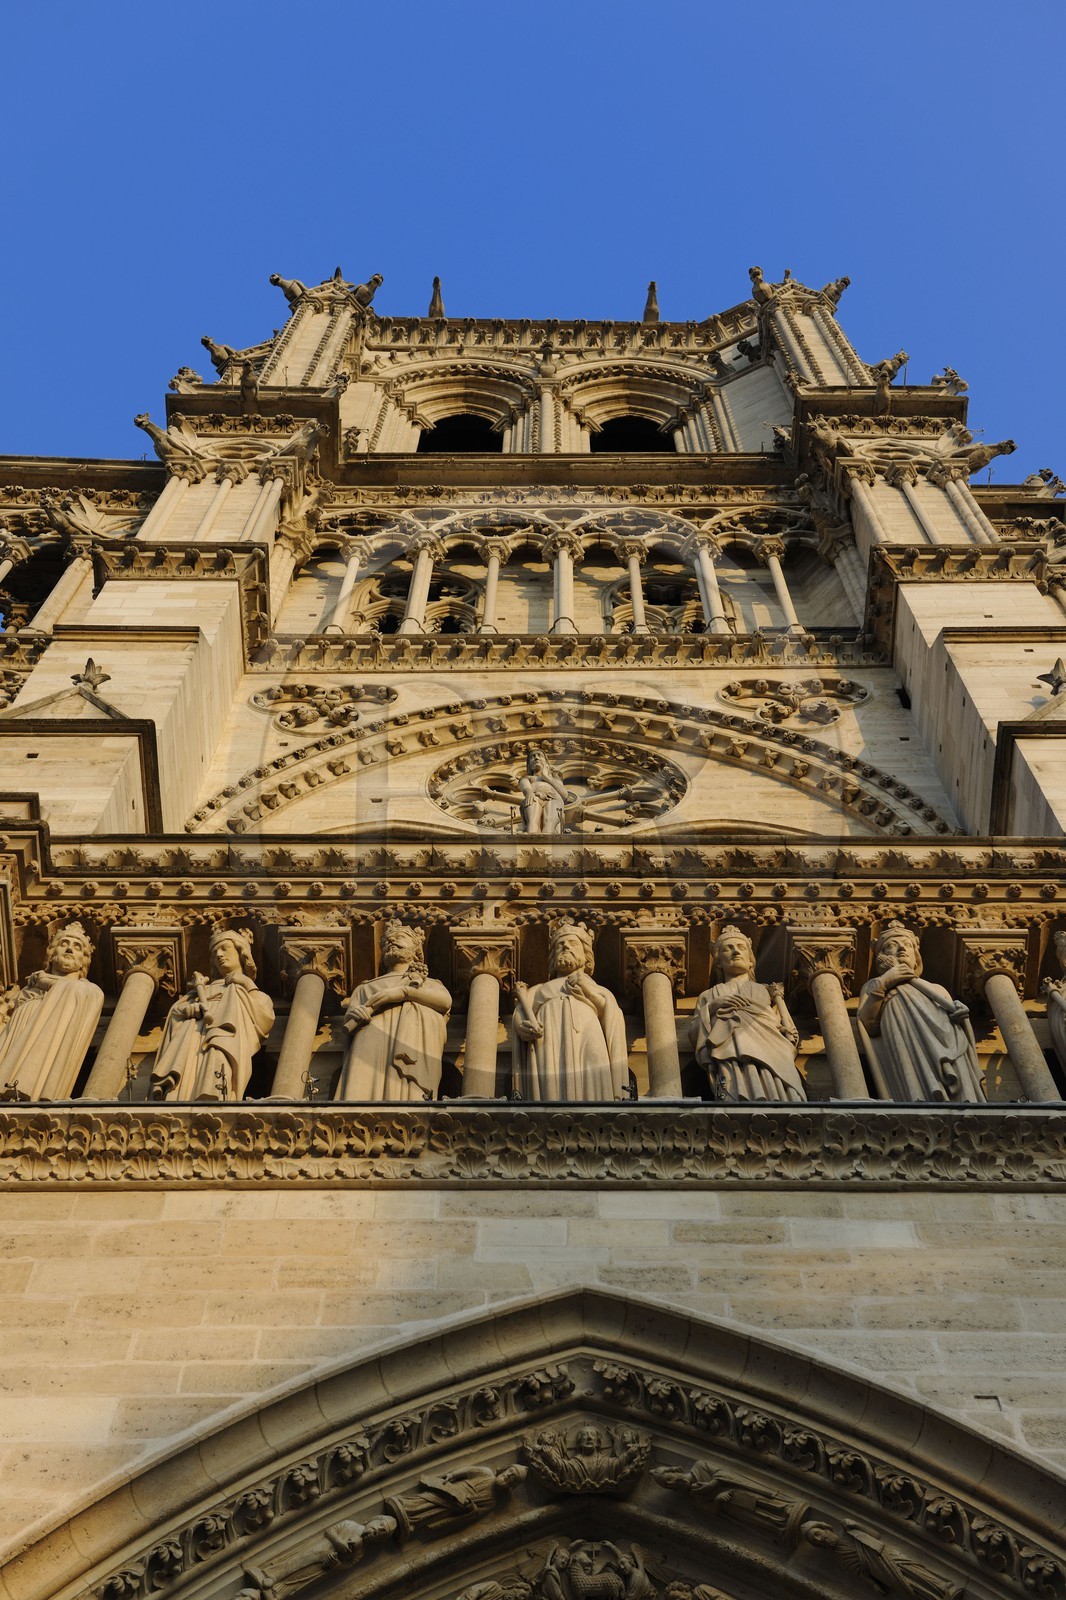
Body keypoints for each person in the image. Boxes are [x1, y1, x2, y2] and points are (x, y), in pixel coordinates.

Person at [857, 922, 983, 1102]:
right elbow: (868, 1024)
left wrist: (960, 1017)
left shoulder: (936, 988)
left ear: (916, 957)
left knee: (958, 1083)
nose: (901, 948)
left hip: (946, 1041)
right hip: (907, 1042)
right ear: (881, 957)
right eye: (891, 946)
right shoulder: (875, 985)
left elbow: (954, 1020)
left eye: (907, 945)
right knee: (916, 1085)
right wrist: (885, 982)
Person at [150, 929, 273, 1102]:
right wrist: (189, 1010)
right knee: (189, 1075)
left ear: (241, 953)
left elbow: (265, 1017)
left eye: (224, 948)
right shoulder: (202, 990)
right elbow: (176, 1012)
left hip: (225, 1038)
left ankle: (215, 1096)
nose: (219, 955)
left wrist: (246, 983)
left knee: (217, 1067)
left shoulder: (246, 990)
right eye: (215, 953)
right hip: (193, 1038)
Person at [511, 921, 629, 1101]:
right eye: (560, 945)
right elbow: (521, 1013)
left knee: (594, 1065)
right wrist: (523, 1028)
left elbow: (610, 1014)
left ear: (585, 953)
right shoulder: (540, 989)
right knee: (551, 1077)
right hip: (550, 1037)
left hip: (588, 1032)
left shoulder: (595, 987)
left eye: (572, 943)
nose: (565, 946)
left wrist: (587, 991)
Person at [337, 922, 451, 1101]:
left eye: (399, 938)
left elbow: (444, 1002)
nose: (392, 941)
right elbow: (350, 1015)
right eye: (387, 941)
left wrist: (404, 993)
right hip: (371, 1039)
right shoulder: (365, 987)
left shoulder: (429, 983)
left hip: (413, 1039)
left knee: (409, 1091)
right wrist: (355, 1014)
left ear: (415, 949)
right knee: (364, 1087)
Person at [691, 926, 805, 1102]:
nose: (736, 952)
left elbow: (783, 1026)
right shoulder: (708, 996)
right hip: (732, 1057)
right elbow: (694, 1032)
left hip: (771, 1049)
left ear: (751, 961)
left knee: (777, 1092)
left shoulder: (766, 991)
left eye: (741, 947)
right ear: (718, 962)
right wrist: (713, 1007)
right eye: (727, 949)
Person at [0, 922, 103, 1100]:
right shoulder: (25, 991)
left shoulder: (88, 990)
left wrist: (49, 983)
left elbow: (78, 994)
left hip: (44, 1065)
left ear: (83, 961)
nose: (69, 949)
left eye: (77, 947)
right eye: (64, 944)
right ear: (52, 953)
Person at [519, 749, 573, 835]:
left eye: (539, 755)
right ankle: (530, 841)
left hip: (553, 798)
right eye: (532, 757)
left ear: (546, 762)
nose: (536, 758)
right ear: (529, 764)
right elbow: (525, 787)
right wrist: (529, 793)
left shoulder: (554, 779)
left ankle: (547, 845)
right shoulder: (527, 778)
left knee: (549, 822)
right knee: (532, 820)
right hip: (534, 796)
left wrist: (545, 776)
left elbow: (564, 795)